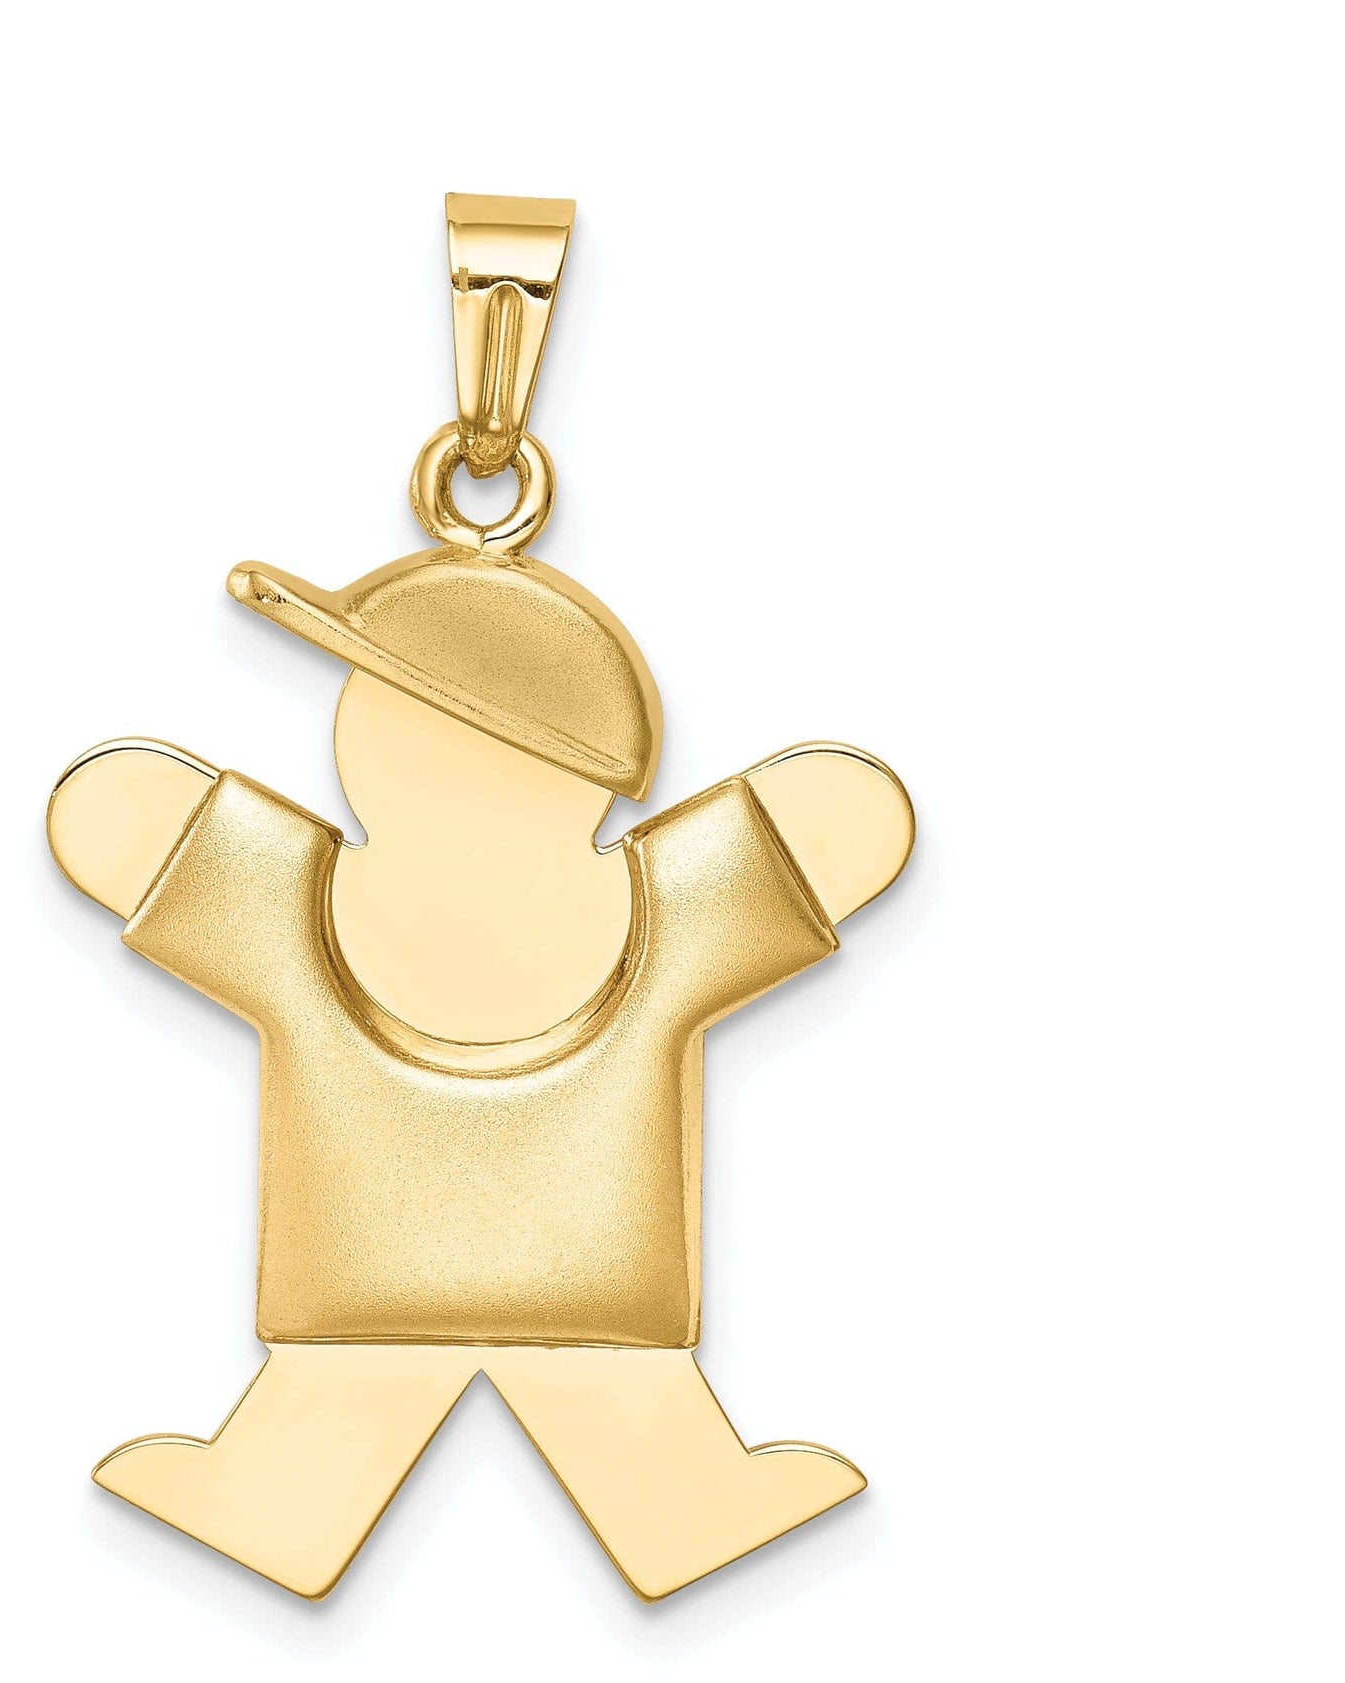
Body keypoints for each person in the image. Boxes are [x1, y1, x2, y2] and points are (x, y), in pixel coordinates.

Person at [48, 545, 914, 1599]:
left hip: (402, 1272)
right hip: (537, 1270)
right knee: (570, 1395)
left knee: (389, 1384)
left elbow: (118, 818)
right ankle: (684, 1512)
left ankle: (282, 1503)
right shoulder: (661, 911)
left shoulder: (291, 902)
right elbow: (840, 825)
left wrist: (161, 816)